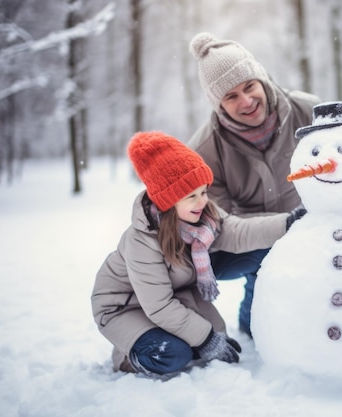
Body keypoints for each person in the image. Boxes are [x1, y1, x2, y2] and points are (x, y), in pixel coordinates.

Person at [91, 131, 305, 378]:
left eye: (204, 192)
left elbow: (237, 231)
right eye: (191, 196)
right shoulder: (142, 241)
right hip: (125, 307)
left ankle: (166, 336)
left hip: (176, 294)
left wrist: (287, 223)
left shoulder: (202, 215)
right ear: (167, 202)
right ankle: (129, 353)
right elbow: (159, 306)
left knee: (216, 333)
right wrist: (205, 340)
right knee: (173, 354)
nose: (201, 202)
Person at [187, 32, 320, 336]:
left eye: (249, 87)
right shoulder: (205, 151)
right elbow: (219, 225)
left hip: (314, 225)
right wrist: (282, 228)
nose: (246, 102)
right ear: (218, 104)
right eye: (231, 96)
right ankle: (255, 323)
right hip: (244, 244)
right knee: (268, 256)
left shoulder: (307, 112)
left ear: (262, 80)